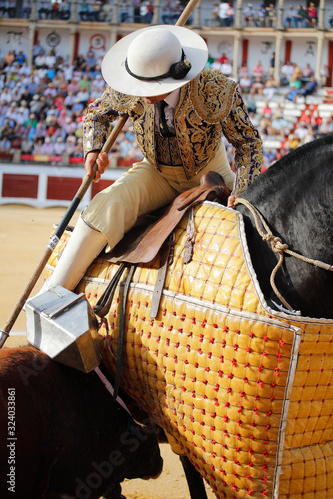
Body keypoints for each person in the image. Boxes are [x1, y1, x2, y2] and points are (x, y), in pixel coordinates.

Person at [35, 25, 262, 296]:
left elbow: (248, 142)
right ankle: (54, 292)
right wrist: (93, 150)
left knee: (243, 227)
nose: (139, 92)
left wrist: (242, 189)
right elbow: (96, 114)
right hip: (157, 173)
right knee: (106, 205)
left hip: (210, 173)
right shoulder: (132, 83)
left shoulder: (217, 88)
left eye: (148, 86)